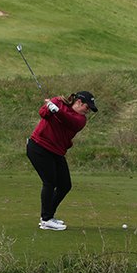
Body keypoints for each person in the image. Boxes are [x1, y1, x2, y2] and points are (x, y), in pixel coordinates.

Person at [26, 89, 97, 230]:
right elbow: (42, 113)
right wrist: (49, 107)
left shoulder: (81, 120)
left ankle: (48, 216)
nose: (87, 111)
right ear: (79, 102)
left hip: (56, 151)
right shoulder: (57, 102)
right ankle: (46, 220)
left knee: (65, 185)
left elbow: (69, 121)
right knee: (49, 182)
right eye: (87, 107)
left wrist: (56, 111)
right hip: (39, 147)